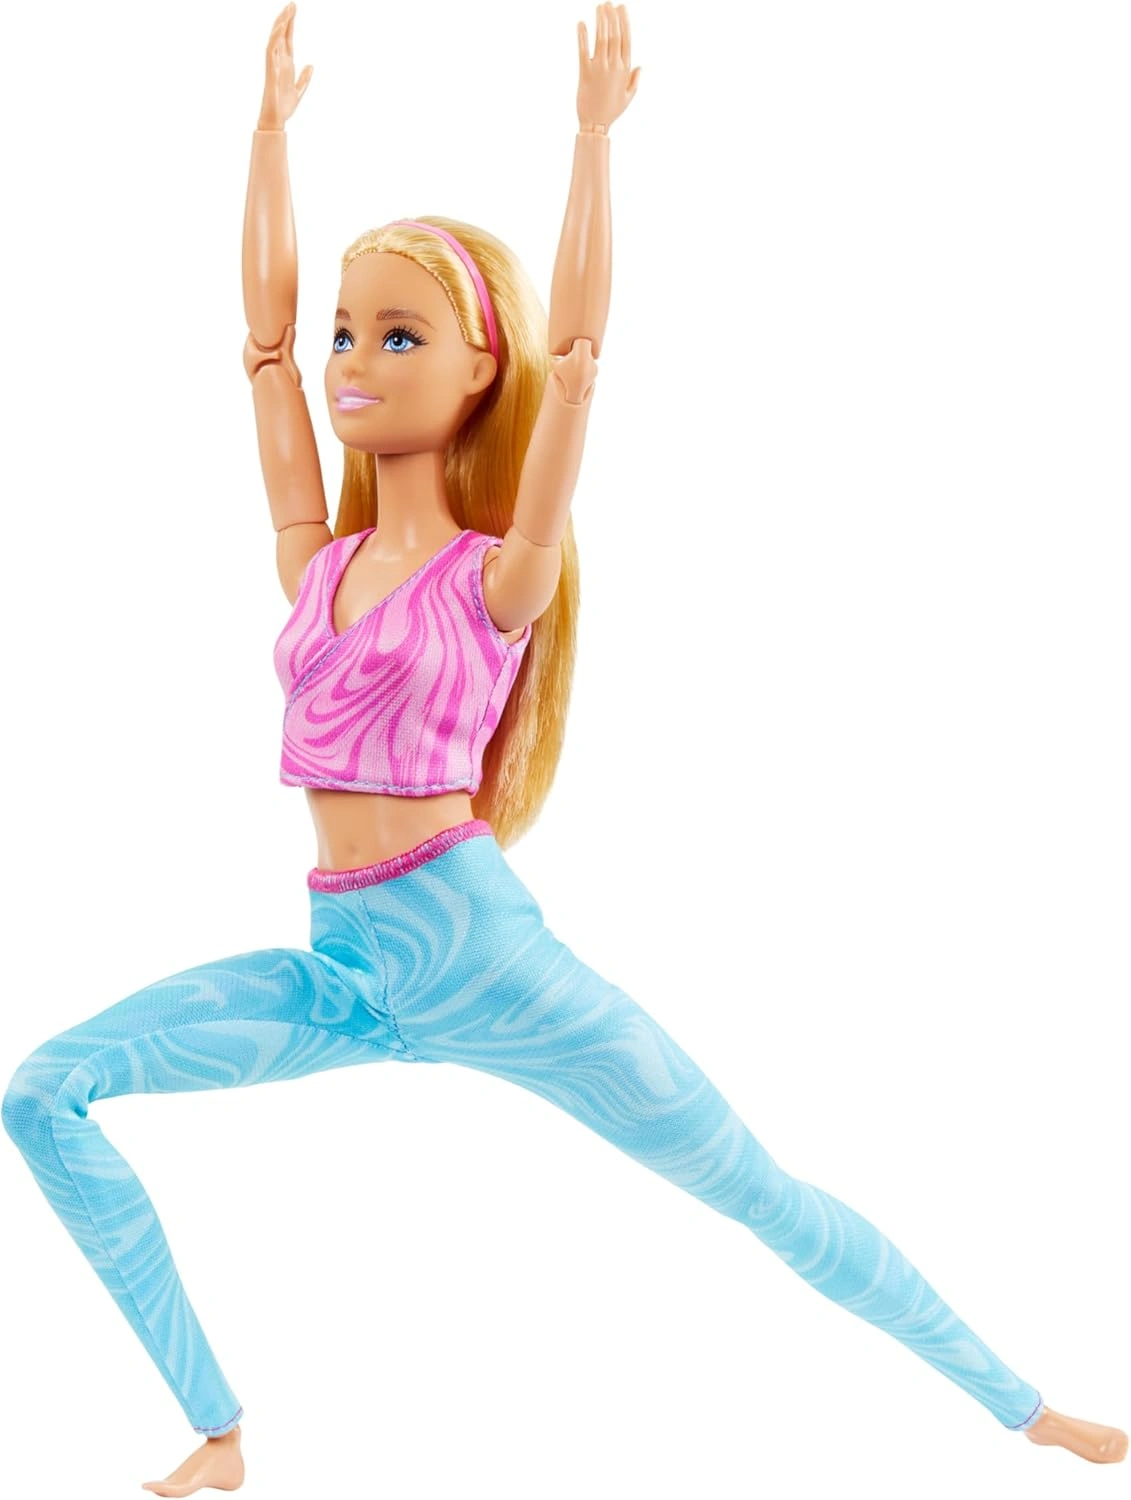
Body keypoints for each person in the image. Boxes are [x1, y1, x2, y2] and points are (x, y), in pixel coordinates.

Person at [3, 5, 1125, 1494]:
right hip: (341, 968)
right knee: (41, 1091)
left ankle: (1028, 1407)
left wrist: (591, 142)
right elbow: (260, 350)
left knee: (755, 1190)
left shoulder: (499, 578)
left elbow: (582, 354)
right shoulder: (315, 564)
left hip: (485, 959)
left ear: (482, 367)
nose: (351, 362)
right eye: (350, 331)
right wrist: (266, 139)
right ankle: (219, 1437)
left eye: (399, 335)